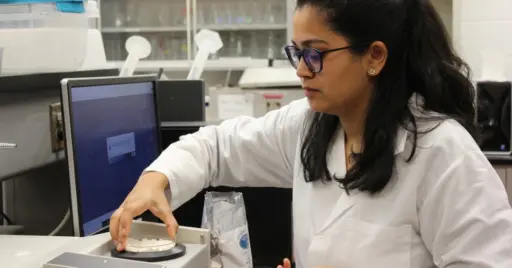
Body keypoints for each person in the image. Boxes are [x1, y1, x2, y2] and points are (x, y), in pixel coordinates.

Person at [110, 0, 512, 267]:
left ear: (374, 56)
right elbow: (216, 147)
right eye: (297, 52)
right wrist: (155, 180)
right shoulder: (310, 128)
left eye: (315, 53)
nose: (301, 69)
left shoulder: (441, 154)